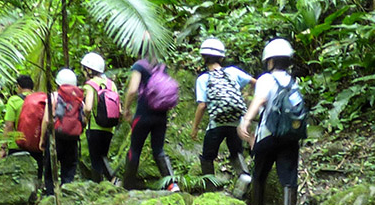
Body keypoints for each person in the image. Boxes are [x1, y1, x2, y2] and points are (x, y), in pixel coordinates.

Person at [239, 39, 307, 205]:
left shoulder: (265, 79)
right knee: (289, 177)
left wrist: (246, 121)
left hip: (268, 134)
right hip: (290, 137)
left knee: (259, 174)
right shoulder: (293, 81)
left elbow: (260, 100)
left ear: (269, 61)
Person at [189, 37, 253, 191]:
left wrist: (195, 127)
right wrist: (248, 97)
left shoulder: (203, 79)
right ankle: (244, 177)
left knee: (207, 157)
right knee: (236, 152)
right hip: (236, 124)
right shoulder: (232, 72)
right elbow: (255, 82)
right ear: (222, 57)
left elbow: (202, 105)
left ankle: (210, 190)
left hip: (216, 125)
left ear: (203, 58)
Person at [122, 55, 181, 191]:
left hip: (143, 115)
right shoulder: (161, 66)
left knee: (135, 149)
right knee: (159, 150)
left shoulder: (139, 66)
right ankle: (172, 184)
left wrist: (126, 109)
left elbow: (132, 90)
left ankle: (128, 186)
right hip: (161, 116)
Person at [4, 73, 53, 195]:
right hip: (37, 144)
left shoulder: (14, 100)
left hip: (17, 146)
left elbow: (9, 125)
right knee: (37, 176)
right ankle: (36, 198)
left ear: (18, 87)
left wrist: (3, 146)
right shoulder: (41, 100)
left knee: (16, 178)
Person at [80, 53, 120, 182]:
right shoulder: (111, 84)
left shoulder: (90, 85)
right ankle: (111, 180)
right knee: (103, 156)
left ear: (89, 70)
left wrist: (85, 119)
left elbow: (88, 107)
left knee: (96, 159)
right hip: (109, 127)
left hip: (95, 126)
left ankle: (99, 185)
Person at [52, 69, 86, 184]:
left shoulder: (55, 96)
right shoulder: (78, 99)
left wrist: (43, 138)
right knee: (69, 166)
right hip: (72, 137)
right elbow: (84, 117)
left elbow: (48, 119)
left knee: (51, 166)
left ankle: (51, 193)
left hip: (57, 135)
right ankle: (67, 190)